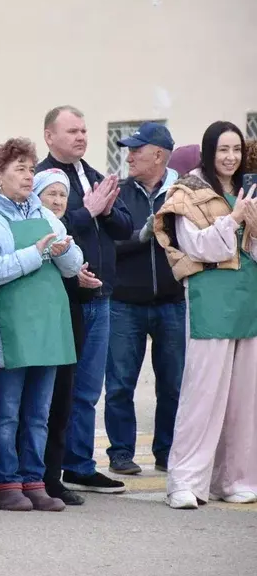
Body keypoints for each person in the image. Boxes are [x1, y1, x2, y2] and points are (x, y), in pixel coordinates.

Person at [0, 138, 83, 512]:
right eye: (18, 168)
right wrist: (38, 254)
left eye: (30, 169)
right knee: (6, 414)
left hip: (48, 327)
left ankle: (34, 481)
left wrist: (65, 255)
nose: (26, 175)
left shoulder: (46, 214)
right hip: (9, 328)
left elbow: (72, 264)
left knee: (39, 414)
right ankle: (7, 485)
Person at [154, 121, 257, 509]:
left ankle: (234, 478)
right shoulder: (188, 192)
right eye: (222, 150)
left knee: (244, 396)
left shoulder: (249, 190)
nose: (230, 158)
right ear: (209, 152)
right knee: (203, 393)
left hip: (248, 296)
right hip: (209, 295)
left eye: (236, 149)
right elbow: (194, 246)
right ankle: (185, 480)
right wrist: (233, 219)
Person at [36, 105, 133, 494]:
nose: (81, 137)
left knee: (89, 388)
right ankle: (49, 469)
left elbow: (125, 227)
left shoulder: (96, 177)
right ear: (49, 136)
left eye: (84, 130)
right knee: (61, 389)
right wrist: (86, 211)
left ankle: (79, 464)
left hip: (101, 295)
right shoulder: (42, 179)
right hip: (65, 298)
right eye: (72, 130)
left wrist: (106, 211)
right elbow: (47, 229)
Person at [105, 123, 185, 476]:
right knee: (120, 384)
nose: (129, 155)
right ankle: (121, 452)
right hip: (124, 303)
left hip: (172, 302)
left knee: (173, 384)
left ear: (159, 154)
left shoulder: (184, 193)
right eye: (128, 148)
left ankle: (167, 451)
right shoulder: (118, 193)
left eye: (137, 149)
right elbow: (106, 246)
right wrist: (142, 236)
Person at [34, 169, 98, 507]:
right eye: (51, 194)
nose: (58, 201)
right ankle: (26, 477)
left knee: (61, 406)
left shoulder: (67, 234)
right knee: (33, 408)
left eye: (63, 195)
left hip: (67, 328)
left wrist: (84, 284)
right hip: (37, 327)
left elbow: (77, 287)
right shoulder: (35, 230)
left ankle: (52, 479)